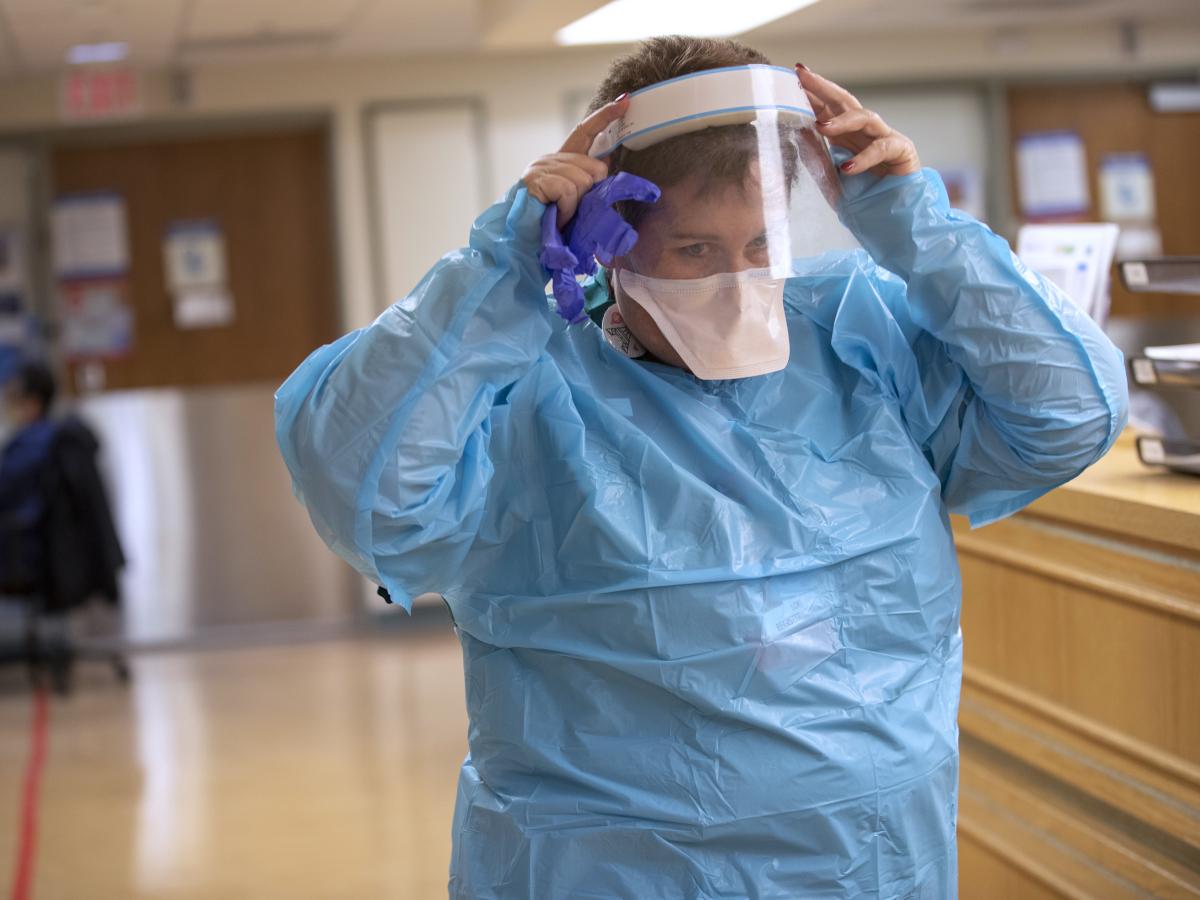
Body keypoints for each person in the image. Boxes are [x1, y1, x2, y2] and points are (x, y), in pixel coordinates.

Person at [276, 36, 1128, 899]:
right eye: (693, 251)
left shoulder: (857, 342)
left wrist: (918, 227)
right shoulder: (531, 395)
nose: (736, 279)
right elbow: (365, 490)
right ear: (611, 240)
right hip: (607, 874)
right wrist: (502, 273)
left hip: (868, 867)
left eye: (762, 244)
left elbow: (1071, 413)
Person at [0, 359, 126, 691]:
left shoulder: (32, 445)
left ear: (32, 401)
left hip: (37, 554)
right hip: (64, 553)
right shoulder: (64, 437)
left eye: (15, 398)